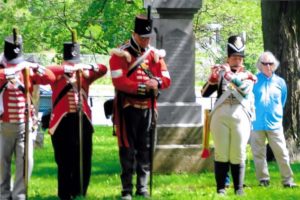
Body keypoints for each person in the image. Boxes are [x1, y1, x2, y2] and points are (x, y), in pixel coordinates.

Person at [109, 12, 171, 200]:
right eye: (143, 37)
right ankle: (126, 189)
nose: (145, 41)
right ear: (134, 34)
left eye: (148, 38)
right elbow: (118, 81)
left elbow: (166, 78)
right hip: (127, 107)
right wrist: (143, 87)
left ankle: (142, 188)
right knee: (127, 149)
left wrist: (157, 83)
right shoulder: (121, 53)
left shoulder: (154, 55)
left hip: (149, 108)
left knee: (145, 148)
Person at [47, 35, 107, 200]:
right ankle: (65, 193)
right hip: (62, 122)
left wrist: (86, 66)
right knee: (64, 159)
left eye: (75, 62)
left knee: (84, 158)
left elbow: (103, 69)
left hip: (82, 120)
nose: (73, 65)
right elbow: (47, 72)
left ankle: (80, 191)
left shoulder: (84, 75)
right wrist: (65, 69)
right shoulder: (58, 75)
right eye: (70, 62)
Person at [0, 30, 55, 200]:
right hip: (2, 125)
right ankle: (3, 195)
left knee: (25, 163)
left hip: (24, 125)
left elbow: (51, 78)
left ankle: (19, 196)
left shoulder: (27, 68)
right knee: (2, 165)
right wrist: (17, 68)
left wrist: (36, 67)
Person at [201, 35, 256, 195]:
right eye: (234, 57)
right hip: (221, 114)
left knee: (238, 152)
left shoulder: (248, 75)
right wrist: (212, 78)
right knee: (221, 152)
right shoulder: (219, 73)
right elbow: (204, 93)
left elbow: (245, 91)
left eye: (239, 58)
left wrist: (229, 76)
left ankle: (238, 188)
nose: (237, 60)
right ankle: (221, 189)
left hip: (240, 114)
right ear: (228, 58)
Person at [250, 51, 297, 188]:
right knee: (258, 154)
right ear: (260, 65)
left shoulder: (280, 82)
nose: (268, 66)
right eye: (264, 63)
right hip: (256, 123)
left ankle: (288, 181)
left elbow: (282, 101)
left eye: (270, 63)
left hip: (275, 124)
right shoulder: (254, 81)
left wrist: (275, 114)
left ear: (274, 65)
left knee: (282, 153)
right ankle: (263, 180)